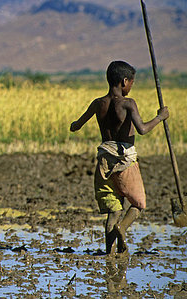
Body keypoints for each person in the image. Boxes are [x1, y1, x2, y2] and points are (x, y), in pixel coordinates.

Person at [70, 60, 169, 254]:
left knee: (113, 210)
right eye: (132, 82)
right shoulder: (128, 103)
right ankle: (122, 228)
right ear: (125, 81)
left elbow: (77, 125)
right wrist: (160, 117)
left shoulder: (98, 104)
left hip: (104, 160)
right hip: (124, 160)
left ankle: (110, 253)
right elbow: (142, 129)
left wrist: (74, 124)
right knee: (138, 204)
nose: (131, 86)